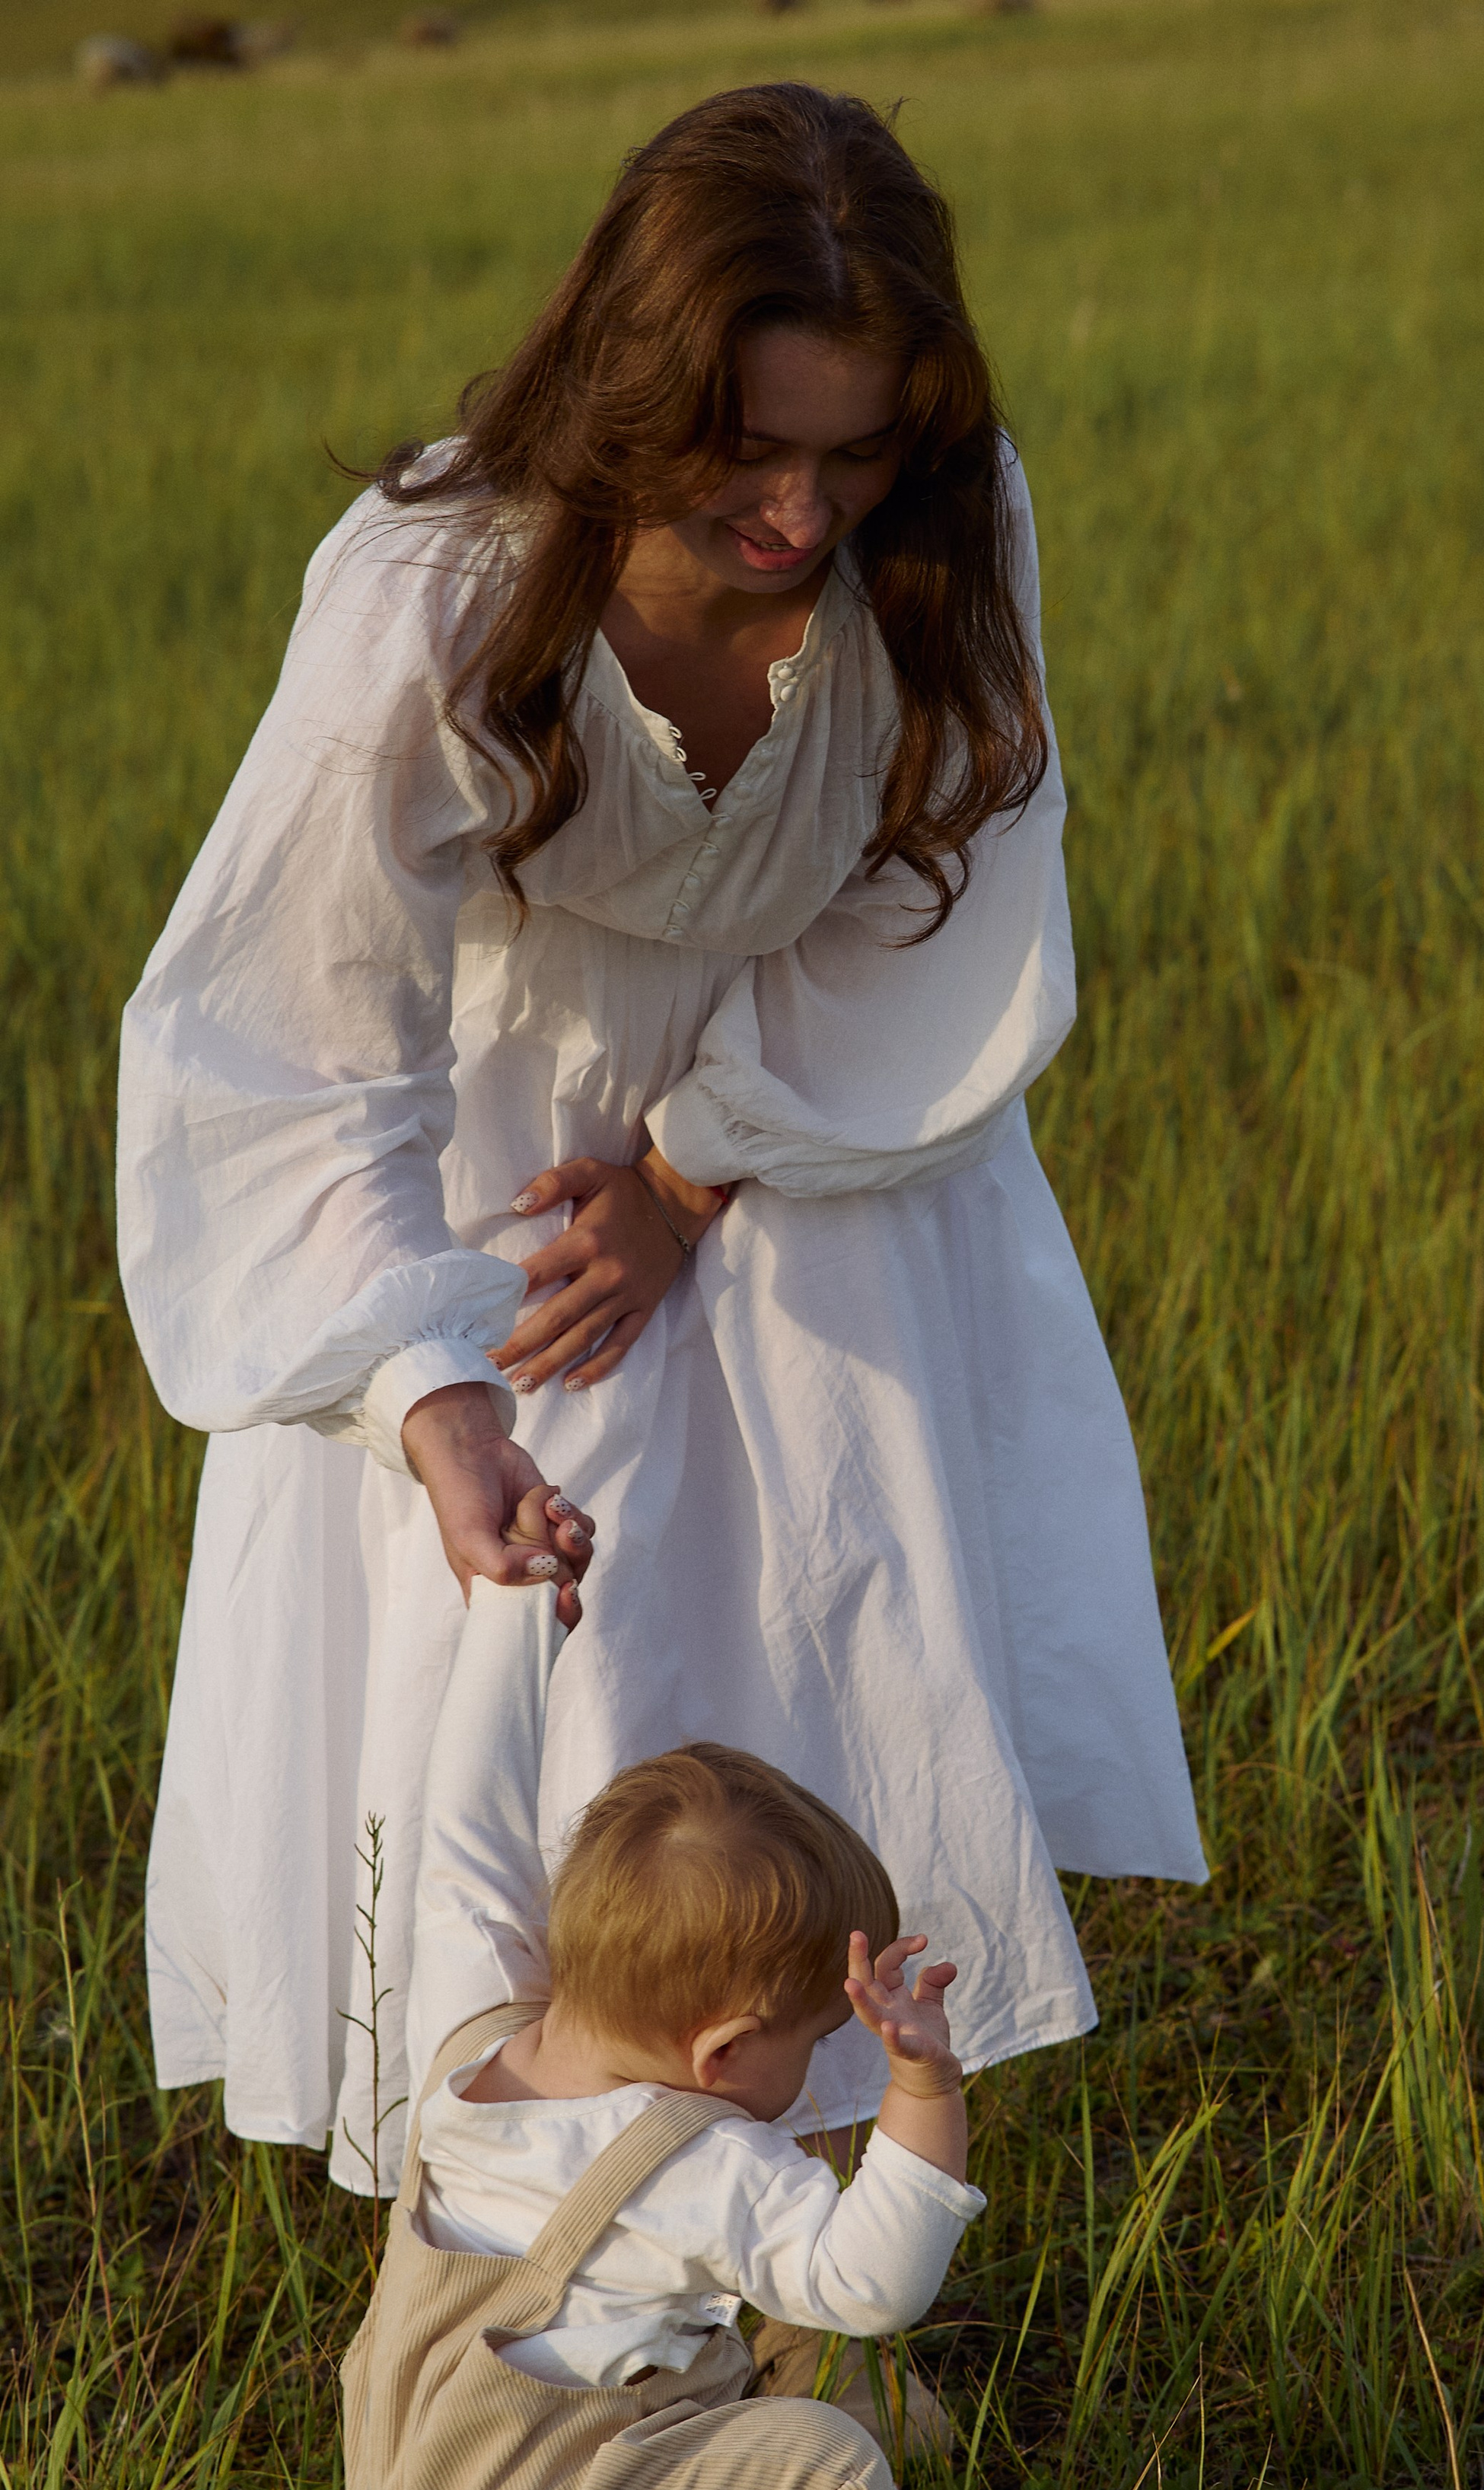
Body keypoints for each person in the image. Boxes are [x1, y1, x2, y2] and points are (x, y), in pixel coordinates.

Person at [117, 81, 1205, 2201]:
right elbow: (290, 1036)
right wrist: (427, 1390)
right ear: (636, 389)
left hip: (818, 1143)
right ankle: (523, 2260)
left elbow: (952, 895)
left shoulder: (951, 533)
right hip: (495, 1193)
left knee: (830, 1661)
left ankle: (816, 2253)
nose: (804, 508)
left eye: (855, 446)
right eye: (751, 447)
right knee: (532, 1714)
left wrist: (700, 1171)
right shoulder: (434, 594)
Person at [346, 1540, 1090, 2490]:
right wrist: (924, 2084)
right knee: (815, 2468)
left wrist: (517, 1615)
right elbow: (872, 2282)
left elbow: (462, 1821)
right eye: (814, 2043)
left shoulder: (464, 2041)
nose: (818, 2075)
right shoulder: (697, 2165)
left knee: (711, 2444)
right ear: (725, 2053)